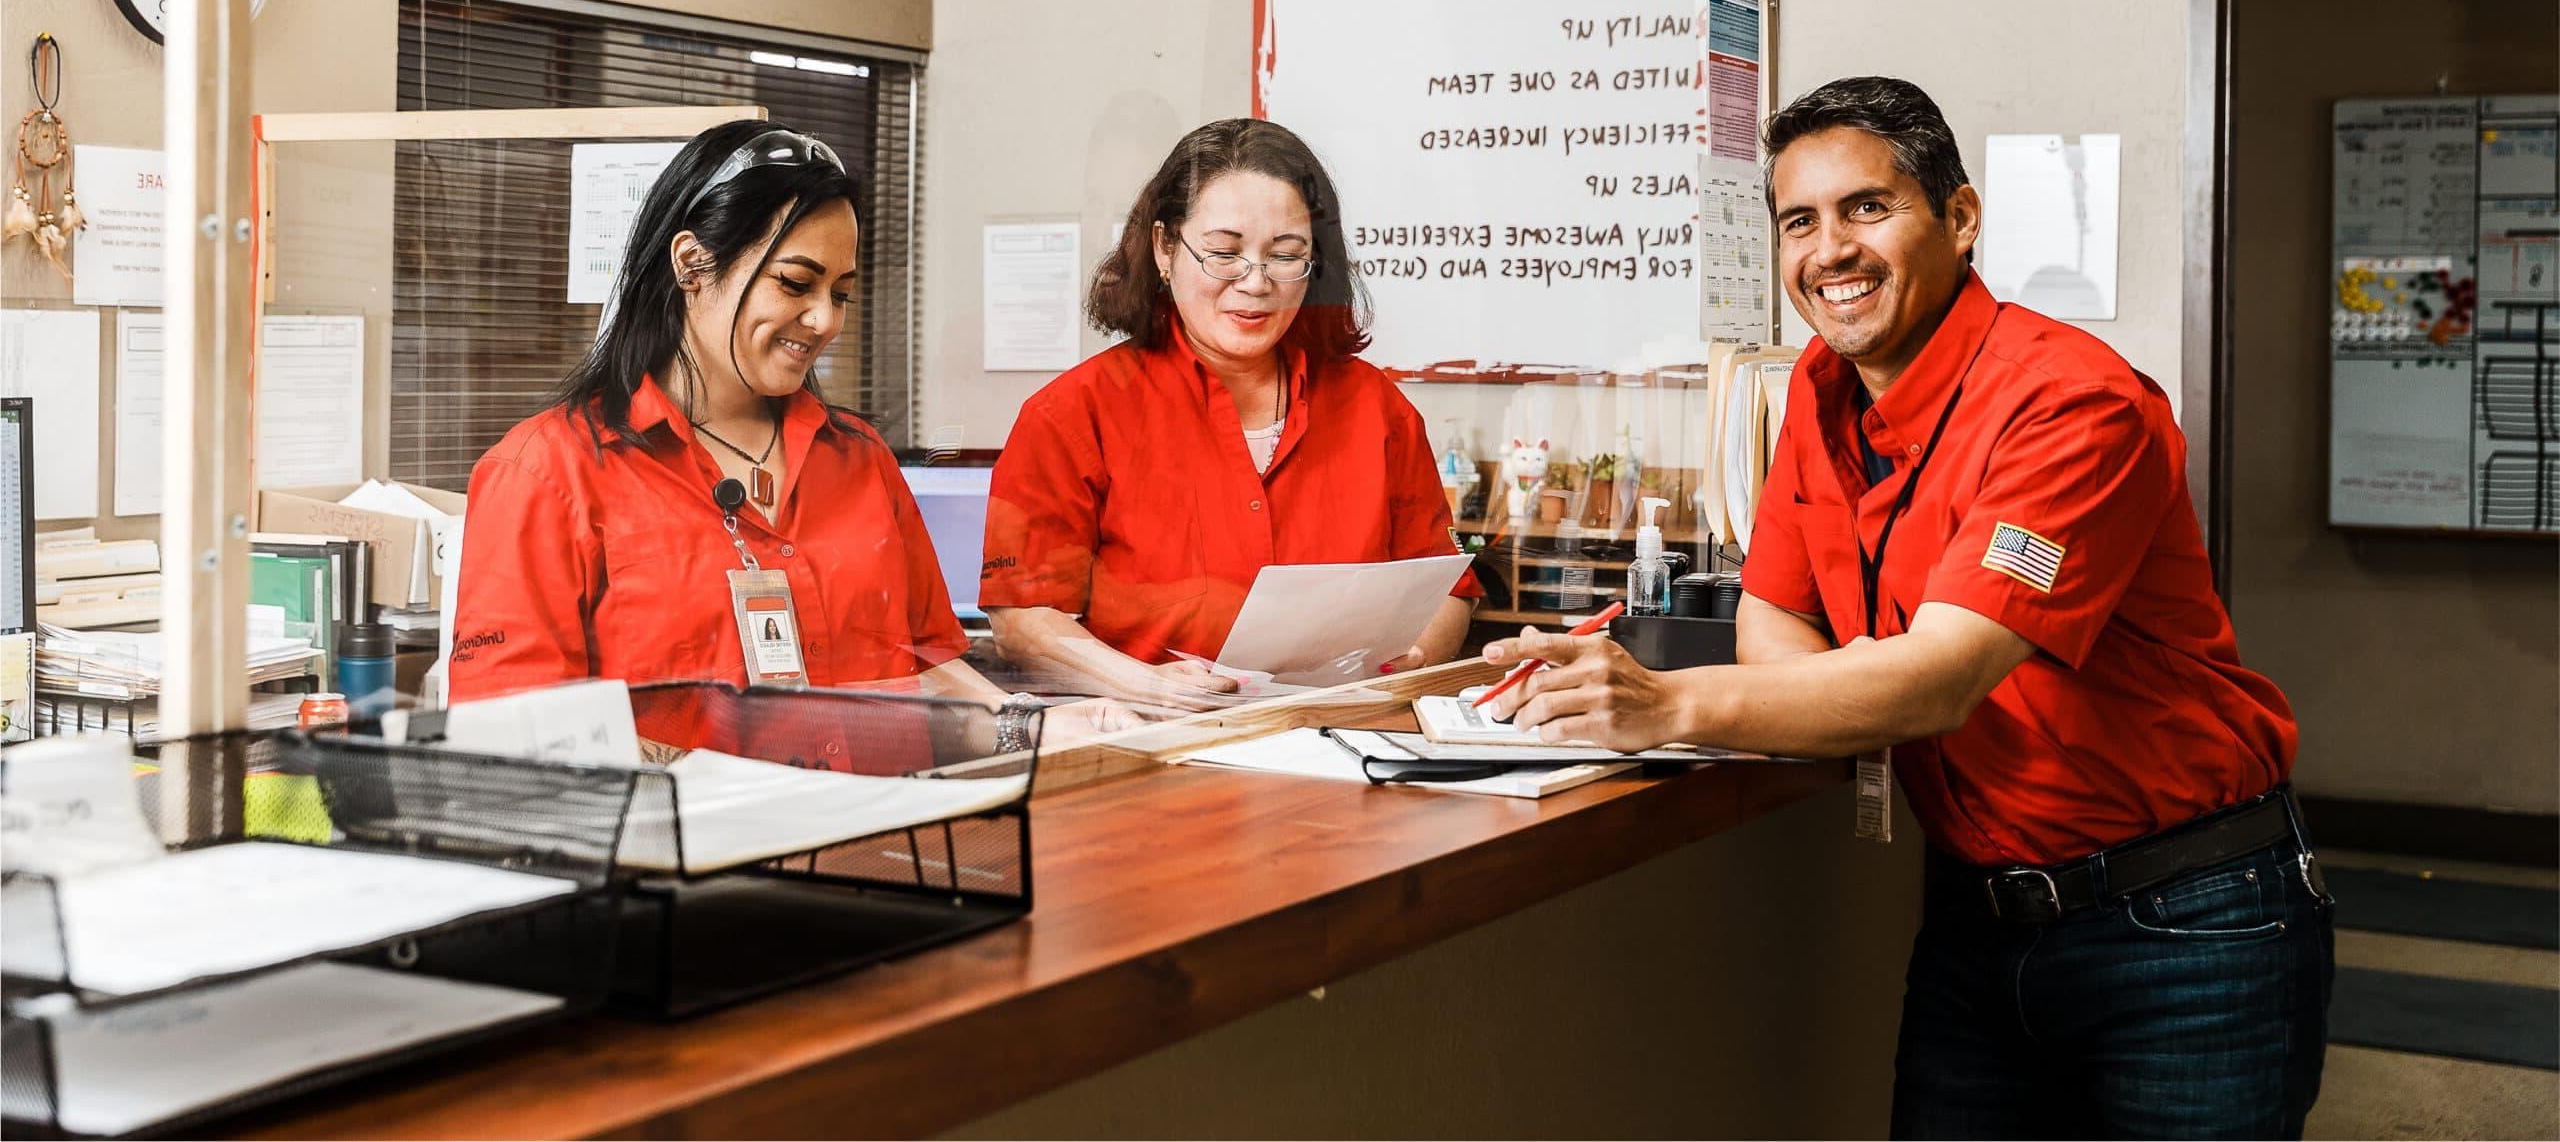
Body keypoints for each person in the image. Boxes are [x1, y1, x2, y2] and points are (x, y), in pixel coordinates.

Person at [1484, 77, 2330, 1139]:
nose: (1829, 249)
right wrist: (1852, 697)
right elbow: (1771, 624)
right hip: (1977, 918)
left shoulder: (2069, 402)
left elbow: (1939, 678)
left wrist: (1667, 705)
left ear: (1960, 220)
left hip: (2183, 922)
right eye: (1801, 221)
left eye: (1867, 208)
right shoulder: (1820, 394)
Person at [452, 120, 1106, 751]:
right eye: (795, 282)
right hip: (684, 855)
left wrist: (1037, 726)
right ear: (691, 263)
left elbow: (923, 670)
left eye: (841, 292)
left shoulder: (860, 460)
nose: (823, 319)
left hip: (868, 848)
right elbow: (512, 744)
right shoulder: (547, 474)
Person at [980, 118, 1479, 708]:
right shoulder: (1072, 414)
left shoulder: (1377, 410)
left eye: (1286, 255)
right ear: (1165, 248)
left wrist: (1412, 656)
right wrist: (1148, 685)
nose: (1255, 282)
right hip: (1154, 747)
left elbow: (1447, 587)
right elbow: (1023, 621)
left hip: (1343, 743)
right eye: (1223, 253)